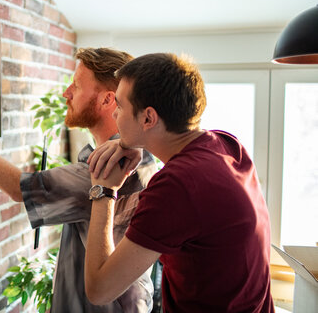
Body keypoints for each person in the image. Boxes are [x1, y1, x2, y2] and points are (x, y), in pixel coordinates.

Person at [0, 47, 158, 313]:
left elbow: (20, 188)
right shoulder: (140, 156)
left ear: (107, 100)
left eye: (76, 86)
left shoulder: (110, 167)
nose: (67, 93)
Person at [85, 53, 274, 312]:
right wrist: (138, 141)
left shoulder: (176, 186)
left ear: (148, 118)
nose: (115, 113)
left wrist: (104, 190)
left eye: (120, 105)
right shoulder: (227, 144)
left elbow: (99, 289)